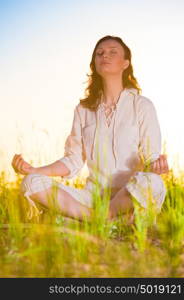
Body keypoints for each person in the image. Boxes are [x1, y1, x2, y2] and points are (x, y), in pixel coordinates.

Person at [11, 35, 169, 222]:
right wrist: (34, 169)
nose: (104, 56)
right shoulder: (84, 109)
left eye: (112, 52)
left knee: (154, 183)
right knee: (32, 182)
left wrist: (157, 167)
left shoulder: (142, 106)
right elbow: (73, 160)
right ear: (94, 64)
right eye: (99, 53)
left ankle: (95, 218)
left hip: (128, 197)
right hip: (90, 199)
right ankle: (101, 220)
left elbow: (151, 159)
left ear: (125, 63)